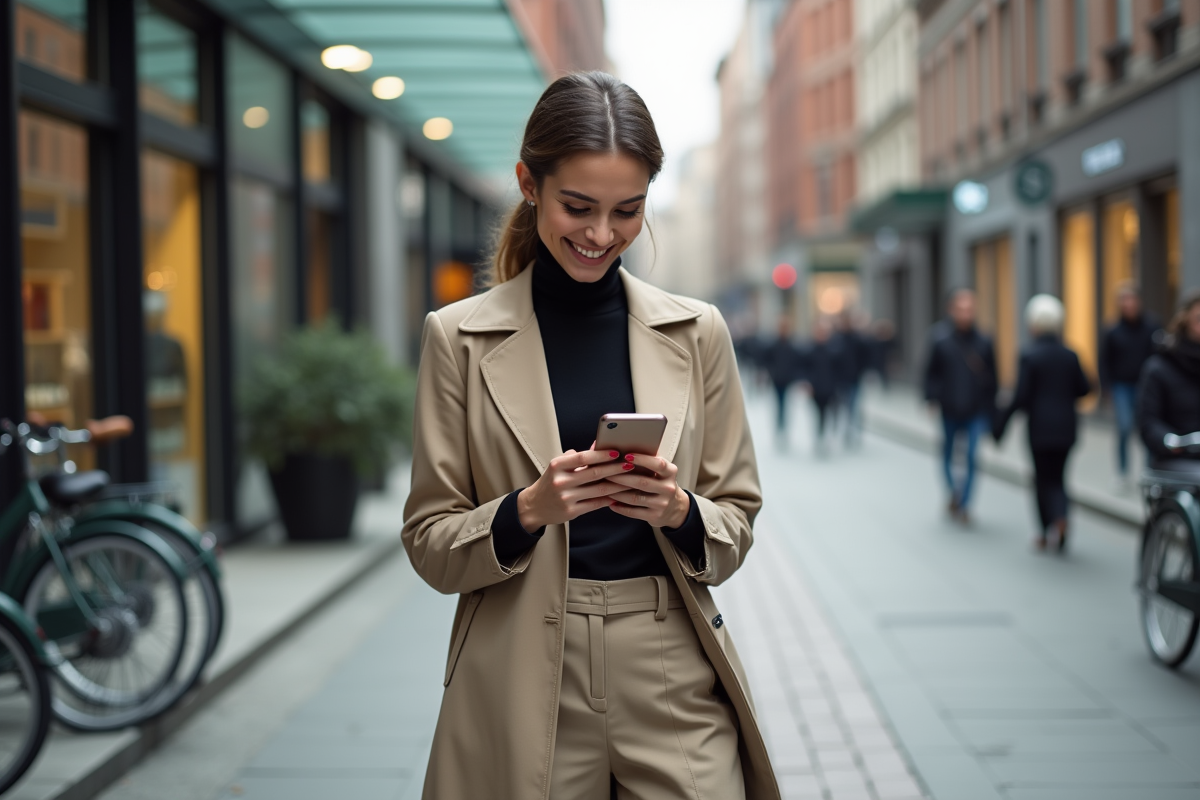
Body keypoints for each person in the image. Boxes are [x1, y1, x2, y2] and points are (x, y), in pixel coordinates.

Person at [401, 72, 779, 800]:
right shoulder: (457, 338)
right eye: (579, 207)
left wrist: (680, 512)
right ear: (529, 183)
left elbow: (737, 516)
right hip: (520, 664)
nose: (602, 235)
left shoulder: (696, 332)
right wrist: (526, 511)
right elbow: (429, 540)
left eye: (627, 211)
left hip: (670, 661)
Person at [994, 295, 1092, 551]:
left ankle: (1045, 528)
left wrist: (1000, 426)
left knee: (1041, 479)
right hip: (1066, 428)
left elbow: (1020, 396)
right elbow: (1085, 388)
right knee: (1059, 477)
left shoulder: (1030, 355)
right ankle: (1061, 518)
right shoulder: (1071, 355)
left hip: (1039, 429)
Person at [923, 288, 998, 524]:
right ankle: (954, 490)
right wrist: (931, 399)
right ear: (951, 310)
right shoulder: (940, 338)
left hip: (976, 408)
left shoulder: (984, 340)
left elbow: (993, 377)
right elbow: (930, 372)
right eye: (961, 308)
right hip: (949, 406)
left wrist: (992, 408)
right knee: (947, 453)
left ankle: (964, 503)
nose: (966, 313)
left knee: (972, 457)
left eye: (970, 308)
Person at [1100, 283, 1160, 485]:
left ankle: (1149, 469)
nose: (1129, 305)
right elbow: (1104, 361)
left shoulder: (1151, 327)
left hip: (1146, 385)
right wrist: (1106, 387)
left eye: (1131, 300)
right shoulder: (1113, 331)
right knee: (1124, 427)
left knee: (1146, 427)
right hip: (1121, 386)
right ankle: (1122, 471)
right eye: (1124, 301)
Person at [1138, 290, 1200, 473]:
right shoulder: (1160, 367)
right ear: (1185, 321)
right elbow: (1148, 421)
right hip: (1177, 460)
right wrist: (1171, 441)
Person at [798, 318, 843, 455]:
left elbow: (839, 370)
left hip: (829, 388)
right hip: (815, 389)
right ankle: (819, 437)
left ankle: (826, 436)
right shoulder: (809, 349)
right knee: (818, 414)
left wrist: (838, 385)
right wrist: (806, 383)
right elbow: (804, 368)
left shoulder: (834, 349)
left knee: (829, 413)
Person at [834, 310, 870, 447]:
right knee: (841, 407)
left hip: (854, 378)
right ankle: (844, 430)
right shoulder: (836, 338)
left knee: (853, 407)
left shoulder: (858, 338)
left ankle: (853, 431)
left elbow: (865, 356)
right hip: (840, 380)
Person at [763, 317, 800, 445]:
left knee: (785, 405)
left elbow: (796, 362)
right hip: (777, 379)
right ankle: (779, 429)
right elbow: (766, 360)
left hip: (787, 380)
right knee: (779, 405)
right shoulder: (774, 344)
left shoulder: (791, 345)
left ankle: (783, 428)